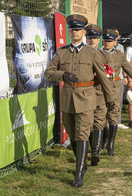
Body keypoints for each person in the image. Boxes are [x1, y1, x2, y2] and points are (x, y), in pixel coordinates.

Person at [44, 14, 115, 188]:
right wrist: (63, 75)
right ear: (69, 31)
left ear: (83, 32)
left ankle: (79, 173)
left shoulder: (92, 53)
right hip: (68, 99)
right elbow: (48, 72)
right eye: (72, 29)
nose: (74, 32)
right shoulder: (61, 52)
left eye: (78, 29)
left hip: (87, 98)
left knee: (83, 133)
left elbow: (102, 77)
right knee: (73, 135)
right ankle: (81, 163)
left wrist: (110, 98)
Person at [102, 29, 132, 155]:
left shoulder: (120, 55)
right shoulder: (97, 54)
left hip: (115, 87)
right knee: (102, 116)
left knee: (113, 116)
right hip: (100, 89)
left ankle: (111, 144)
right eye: (105, 40)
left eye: (110, 41)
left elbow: (130, 70)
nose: (107, 43)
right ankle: (104, 140)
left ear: (115, 42)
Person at [84, 24, 115, 166]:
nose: (92, 40)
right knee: (88, 124)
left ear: (99, 40)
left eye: (94, 38)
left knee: (99, 121)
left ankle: (95, 151)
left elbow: (110, 75)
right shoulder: (81, 54)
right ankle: (91, 147)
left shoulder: (106, 56)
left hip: (100, 92)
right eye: (89, 38)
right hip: (84, 93)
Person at [112, 28, 128, 130]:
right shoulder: (104, 47)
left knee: (119, 101)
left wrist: (125, 76)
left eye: (116, 35)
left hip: (120, 77)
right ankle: (109, 122)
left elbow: (124, 64)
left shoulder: (121, 47)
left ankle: (118, 121)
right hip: (109, 78)